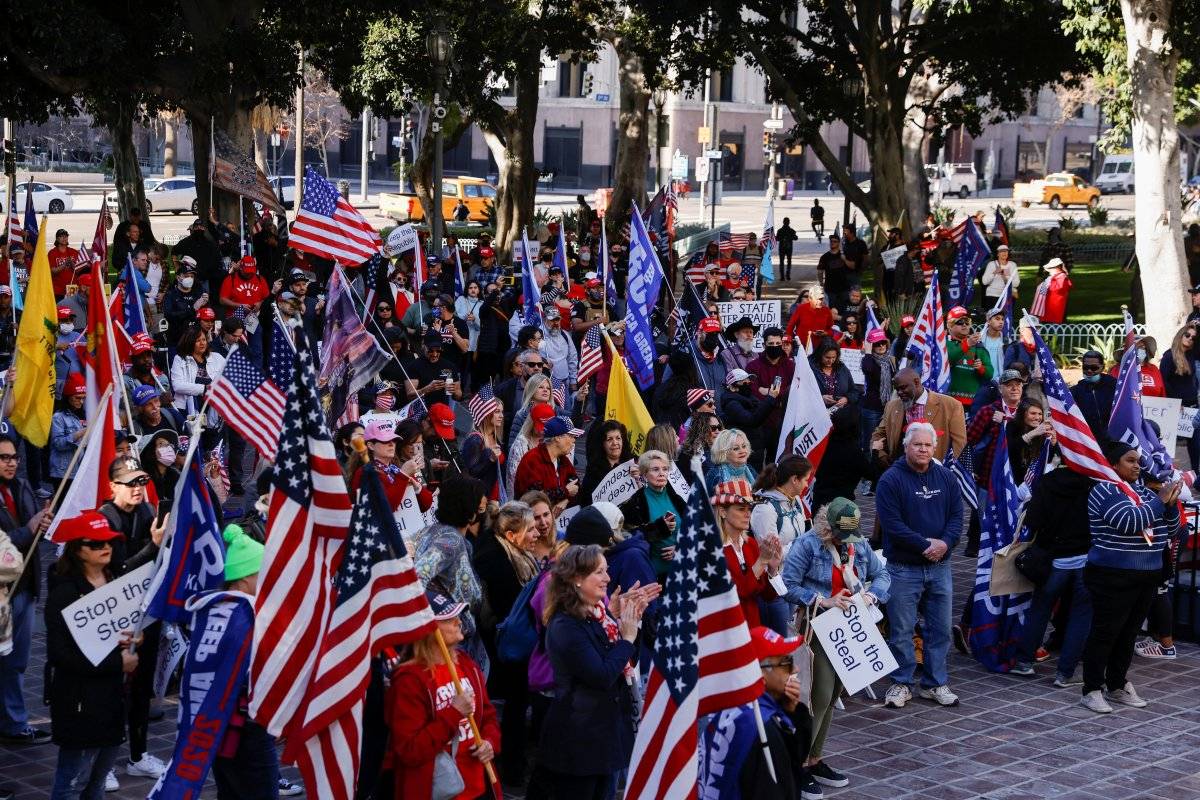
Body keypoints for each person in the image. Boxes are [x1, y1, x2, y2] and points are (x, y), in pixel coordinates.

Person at [781, 498, 889, 795]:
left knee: (833, 696)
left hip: (849, 628)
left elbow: (882, 574)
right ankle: (799, 764)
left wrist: (871, 596)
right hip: (817, 627)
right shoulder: (808, 544)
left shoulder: (858, 544)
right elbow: (787, 585)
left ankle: (815, 758)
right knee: (819, 694)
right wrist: (822, 599)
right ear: (829, 528)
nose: (847, 542)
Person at [1079, 441, 1182, 714]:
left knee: (1128, 634)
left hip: (1146, 575)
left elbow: (1172, 531)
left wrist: (1170, 506)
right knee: (1105, 632)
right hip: (1112, 575)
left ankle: (1116, 684)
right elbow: (1129, 522)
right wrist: (1160, 502)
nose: (1138, 465)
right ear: (1114, 464)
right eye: (1130, 460)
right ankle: (1091, 688)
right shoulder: (1104, 490)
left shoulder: (1146, 494)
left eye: (1138, 461)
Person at [539, 544, 647, 799]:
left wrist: (630, 624)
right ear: (577, 579)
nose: (608, 579)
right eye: (600, 572)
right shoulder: (565, 625)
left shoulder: (598, 617)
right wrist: (626, 638)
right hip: (579, 744)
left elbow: (623, 661)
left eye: (606, 571)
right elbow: (602, 675)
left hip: (603, 738)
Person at [44, 512, 139, 800]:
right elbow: (60, 654)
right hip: (79, 703)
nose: (105, 548)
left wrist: (134, 638)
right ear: (78, 550)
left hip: (111, 699)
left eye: (109, 541)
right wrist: (117, 663)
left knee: (97, 784)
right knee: (72, 783)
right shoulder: (64, 593)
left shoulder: (115, 581)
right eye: (96, 544)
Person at [876, 422, 963, 709]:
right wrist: (925, 545)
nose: (923, 449)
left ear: (934, 447)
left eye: (928, 445)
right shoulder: (890, 480)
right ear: (906, 446)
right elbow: (892, 525)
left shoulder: (947, 478)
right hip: (903, 568)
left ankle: (935, 683)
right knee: (901, 630)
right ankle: (901, 683)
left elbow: (956, 518)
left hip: (940, 567)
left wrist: (945, 544)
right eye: (917, 444)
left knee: (940, 629)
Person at [387, 590, 501, 799]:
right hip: (437, 790)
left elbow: (489, 716)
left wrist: (489, 743)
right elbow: (409, 750)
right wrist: (453, 713)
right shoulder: (409, 680)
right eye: (448, 619)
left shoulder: (467, 664)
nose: (458, 621)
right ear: (428, 629)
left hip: (479, 785)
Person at [1009, 461, 1095, 686]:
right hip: (1085, 558)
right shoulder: (1093, 483)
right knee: (1081, 615)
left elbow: (1032, 520)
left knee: (1039, 609)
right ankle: (1065, 673)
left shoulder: (1048, 481)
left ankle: (1024, 663)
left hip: (1052, 558)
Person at [472, 501, 539, 785]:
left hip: (514, 642)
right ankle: (512, 768)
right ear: (512, 535)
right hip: (505, 647)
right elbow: (508, 607)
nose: (537, 533)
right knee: (515, 704)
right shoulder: (496, 559)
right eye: (531, 528)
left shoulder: (510, 549)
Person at [698, 626, 807, 799]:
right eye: (786, 662)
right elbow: (783, 786)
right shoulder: (763, 727)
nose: (795, 670)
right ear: (759, 673)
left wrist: (792, 711)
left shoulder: (726, 706)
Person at [0, 436, 51, 747]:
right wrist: (29, 529)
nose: (11, 462)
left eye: (13, 457)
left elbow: (34, 537)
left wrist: (44, 524)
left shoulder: (21, 486)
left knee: (17, 661)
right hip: (4, 590)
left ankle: (13, 722)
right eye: (3, 457)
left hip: (26, 586)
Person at [413, 475, 490, 673]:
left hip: (459, 633)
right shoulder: (450, 543)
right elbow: (417, 577)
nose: (484, 504)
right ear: (469, 511)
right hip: (453, 637)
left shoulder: (431, 531)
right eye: (478, 502)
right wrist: (441, 611)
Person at [712, 479, 782, 630]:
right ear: (723, 512)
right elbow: (737, 595)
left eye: (749, 509)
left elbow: (768, 596)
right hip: (725, 632)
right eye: (741, 509)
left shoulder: (750, 543)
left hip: (752, 629)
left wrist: (773, 569)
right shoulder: (710, 549)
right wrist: (762, 561)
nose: (748, 514)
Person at [870, 367, 967, 464]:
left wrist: (954, 472)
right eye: (897, 389)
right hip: (899, 470)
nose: (899, 392)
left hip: (933, 472)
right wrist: (881, 456)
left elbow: (960, 445)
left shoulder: (951, 405)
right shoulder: (891, 406)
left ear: (916, 382)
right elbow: (878, 434)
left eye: (903, 388)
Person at [617, 450, 685, 582]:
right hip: (651, 576)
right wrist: (659, 528)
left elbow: (695, 528)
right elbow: (629, 537)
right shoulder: (636, 502)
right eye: (655, 469)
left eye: (665, 469)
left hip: (681, 571)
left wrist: (681, 547)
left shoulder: (677, 498)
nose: (661, 473)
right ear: (645, 474)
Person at [719, 368, 780, 470]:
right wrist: (770, 398)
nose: (748, 383)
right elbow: (752, 421)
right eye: (744, 381)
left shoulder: (750, 398)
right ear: (733, 387)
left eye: (749, 380)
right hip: (745, 454)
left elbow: (760, 413)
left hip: (756, 450)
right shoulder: (731, 403)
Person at [1159, 324, 1200, 469]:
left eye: (1193, 338)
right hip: (1175, 406)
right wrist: (1175, 401)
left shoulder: (1192, 354)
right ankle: (1164, 475)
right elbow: (1163, 380)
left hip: (1192, 405)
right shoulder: (1169, 356)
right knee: (1168, 443)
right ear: (1180, 335)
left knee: (1195, 444)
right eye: (1187, 335)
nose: (1190, 339)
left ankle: (1196, 475)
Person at [514, 416, 581, 504]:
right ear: (558, 438)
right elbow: (536, 497)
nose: (574, 440)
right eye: (571, 436)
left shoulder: (562, 459)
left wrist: (565, 500)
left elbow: (576, 484)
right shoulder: (532, 459)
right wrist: (566, 492)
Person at [750, 455, 812, 550]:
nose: (807, 485)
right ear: (795, 479)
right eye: (806, 480)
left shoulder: (796, 500)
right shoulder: (764, 509)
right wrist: (802, 548)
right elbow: (771, 555)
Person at [945, 306, 994, 410]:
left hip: (973, 402)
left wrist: (981, 368)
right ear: (950, 325)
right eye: (959, 322)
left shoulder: (978, 347)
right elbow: (948, 358)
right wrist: (967, 344)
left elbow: (990, 373)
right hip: (948, 400)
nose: (964, 325)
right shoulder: (944, 344)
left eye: (967, 322)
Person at [461, 397, 507, 501]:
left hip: (497, 497)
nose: (501, 416)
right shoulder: (475, 440)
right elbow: (471, 473)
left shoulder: (496, 438)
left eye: (502, 412)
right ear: (485, 413)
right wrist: (490, 460)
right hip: (480, 499)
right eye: (497, 412)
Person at [1071, 350, 1117, 441]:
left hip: (1112, 437)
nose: (1089, 371)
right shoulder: (1076, 390)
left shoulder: (1115, 386)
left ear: (1102, 368)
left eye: (1094, 368)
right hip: (1087, 439)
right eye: (1086, 367)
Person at [580, 420, 632, 500]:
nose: (615, 443)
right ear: (603, 444)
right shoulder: (593, 470)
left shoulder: (632, 465)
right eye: (609, 439)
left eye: (618, 438)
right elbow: (586, 500)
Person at [810, 341, 859, 422]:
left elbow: (854, 391)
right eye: (827, 357)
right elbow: (802, 393)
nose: (831, 361)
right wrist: (820, 398)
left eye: (834, 357)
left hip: (842, 419)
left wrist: (846, 399)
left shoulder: (842, 368)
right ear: (820, 355)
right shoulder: (810, 369)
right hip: (817, 418)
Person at [706, 428, 758, 492]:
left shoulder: (750, 469)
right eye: (736, 448)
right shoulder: (715, 474)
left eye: (744, 446)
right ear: (724, 452)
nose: (742, 451)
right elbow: (706, 500)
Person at [981, 245, 1020, 311]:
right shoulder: (991, 264)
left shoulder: (1012, 264)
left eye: (1006, 251)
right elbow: (984, 282)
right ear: (997, 254)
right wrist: (995, 272)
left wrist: (1006, 279)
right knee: (993, 317)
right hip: (993, 295)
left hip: (1008, 295)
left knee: (1007, 317)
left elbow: (1016, 283)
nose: (1004, 253)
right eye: (1002, 251)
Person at [1036, 257, 1072, 324]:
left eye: (1051, 268)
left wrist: (1048, 284)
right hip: (1050, 304)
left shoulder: (1062, 277)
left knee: (1054, 323)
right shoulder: (1053, 277)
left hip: (1056, 304)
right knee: (1048, 322)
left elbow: (1058, 288)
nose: (1049, 270)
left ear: (1057, 268)